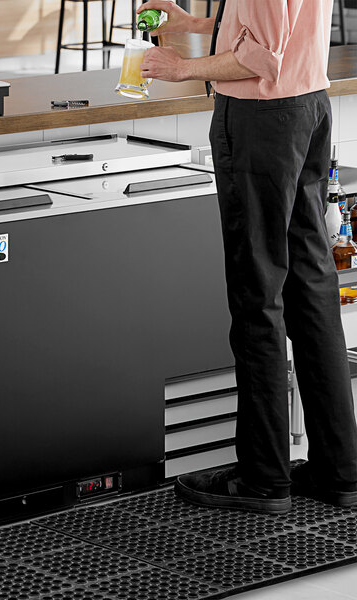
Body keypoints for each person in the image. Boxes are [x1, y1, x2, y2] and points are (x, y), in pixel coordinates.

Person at [137, 0, 357, 514]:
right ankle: (339, 470)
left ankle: (263, 477)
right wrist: (198, 25)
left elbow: (261, 60)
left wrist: (182, 68)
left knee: (259, 295)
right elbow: (275, 26)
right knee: (311, 288)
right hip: (309, 107)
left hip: (261, 121)